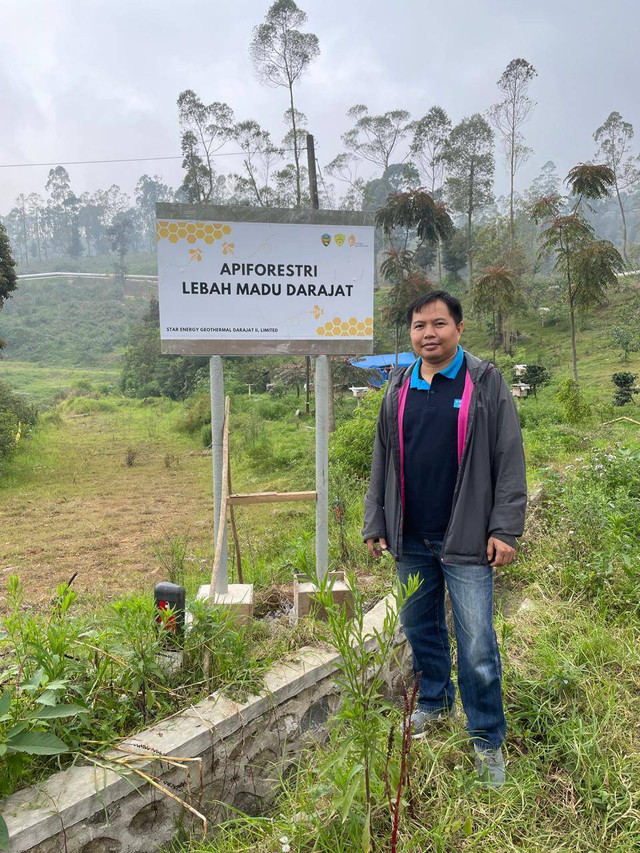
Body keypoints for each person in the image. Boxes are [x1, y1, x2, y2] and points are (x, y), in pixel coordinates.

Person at [362, 291, 527, 787]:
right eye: (419, 326)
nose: (428, 334)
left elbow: (509, 456)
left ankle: (487, 739)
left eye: (438, 324)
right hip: (410, 535)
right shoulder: (398, 385)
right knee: (421, 629)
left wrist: (504, 528)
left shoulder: (485, 381)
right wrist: (375, 520)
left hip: (468, 538)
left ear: (458, 328)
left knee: (476, 644)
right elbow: (382, 458)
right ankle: (434, 704)